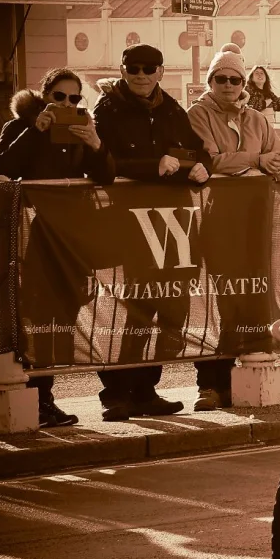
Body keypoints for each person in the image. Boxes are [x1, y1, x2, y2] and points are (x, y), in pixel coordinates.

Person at [91, 44, 211, 422]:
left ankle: (146, 389)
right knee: (137, 306)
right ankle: (117, 392)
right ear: (123, 70)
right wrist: (151, 164)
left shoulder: (172, 108)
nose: (141, 75)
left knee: (171, 305)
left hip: (173, 220)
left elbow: (197, 150)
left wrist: (201, 167)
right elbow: (102, 164)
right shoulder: (106, 109)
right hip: (130, 220)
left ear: (160, 71)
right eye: (133, 69)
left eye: (148, 69)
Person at [0, 69, 114, 428]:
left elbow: (106, 174)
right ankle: (35, 396)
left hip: (71, 236)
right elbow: (3, 166)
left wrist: (95, 143)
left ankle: (47, 398)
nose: (66, 104)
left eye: (74, 99)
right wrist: (37, 129)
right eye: (59, 97)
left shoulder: (81, 127)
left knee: (62, 316)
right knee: (36, 318)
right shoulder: (20, 126)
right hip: (33, 236)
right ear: (44, 95)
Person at [187, 47, 280, 411]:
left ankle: (243, 374)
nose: (228, 85)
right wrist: (258, 160)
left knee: (252, 298)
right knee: (220, 301)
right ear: (210, 81)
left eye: (235, 79)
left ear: (244, 82)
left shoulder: (258, 119)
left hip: (257, 219)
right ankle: (210, 383)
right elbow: (211, 160)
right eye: (221, 79)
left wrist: (276, 165)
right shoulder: (198, 114)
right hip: (217, 217)